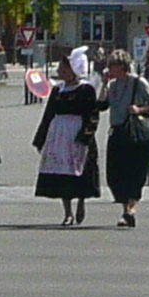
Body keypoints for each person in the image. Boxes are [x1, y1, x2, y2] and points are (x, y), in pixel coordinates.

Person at [35, 47, 103, 225]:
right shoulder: (57, 90)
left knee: (80, 171)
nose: (60, 71)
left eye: (64, 68)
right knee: (61, 173)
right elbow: (48, 114)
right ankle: (67, 213)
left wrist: (85, 137)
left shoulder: (86, 90)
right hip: (59, 135)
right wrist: (40, 138)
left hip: (78, 134)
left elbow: (92, 116)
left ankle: (81, 201)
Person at [101, 51, 149, 227]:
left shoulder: (138, 82)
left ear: (122, 66)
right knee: (116, 174)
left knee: (135, 173)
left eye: (113, 65)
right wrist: (104, 85)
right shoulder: (112, 85)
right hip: (117, 131)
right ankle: (125, 209)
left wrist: (139, 109)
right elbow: (102, 106)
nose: (110, 68)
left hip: (135, 132)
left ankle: (131, 210)